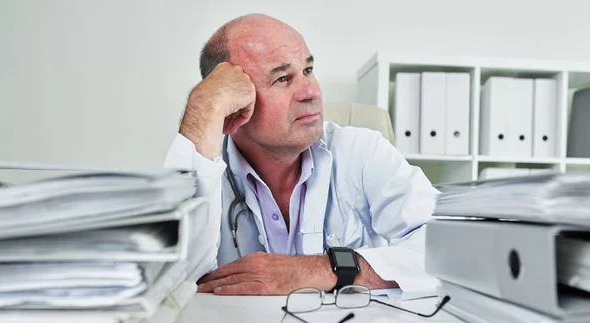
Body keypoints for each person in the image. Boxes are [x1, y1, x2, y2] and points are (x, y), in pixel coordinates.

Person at [164, 13, 438, 296]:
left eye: (308, 70)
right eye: (282, 78)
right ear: (234, 101)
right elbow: (169, 283)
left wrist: (321, 270)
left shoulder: (362, 152)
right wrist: (203, 109)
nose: (311, 92)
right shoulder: (207, 171)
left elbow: (448, 250)